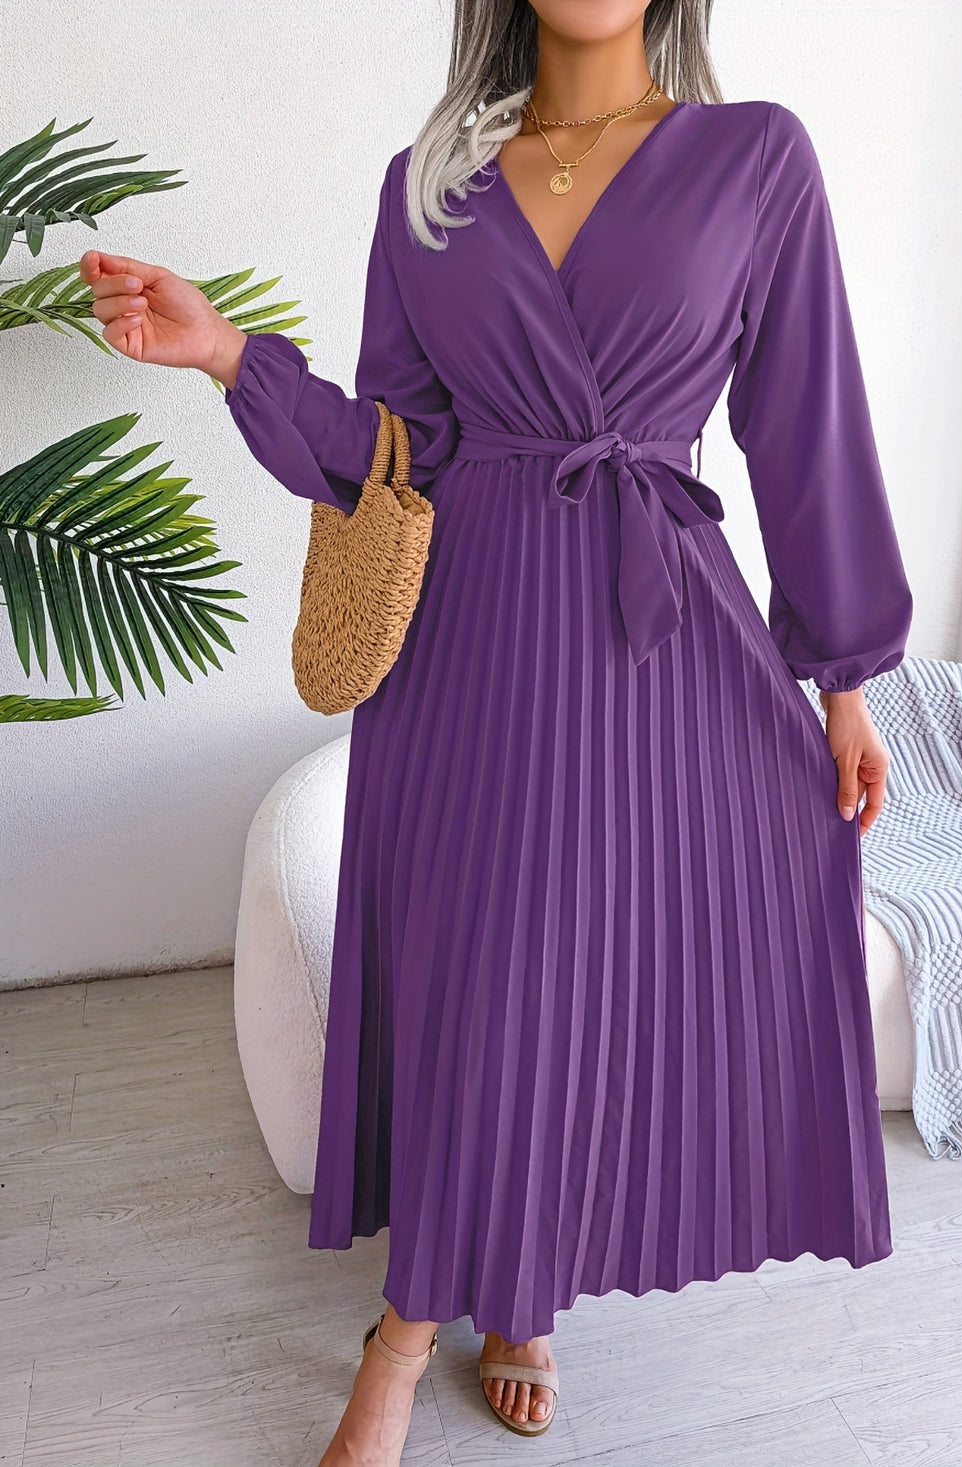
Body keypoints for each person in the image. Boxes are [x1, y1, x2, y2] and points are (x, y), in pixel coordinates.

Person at [81, 2, 913, 1462]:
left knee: (592, 985)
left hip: (658, 641)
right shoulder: (431, 191)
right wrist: (229, 357)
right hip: (467, 650)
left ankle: (489, 1301)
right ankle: (425, 1328)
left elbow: (807, 422)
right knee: (488, 986)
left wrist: (844, 679)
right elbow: (396, 453)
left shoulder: (755, 158)